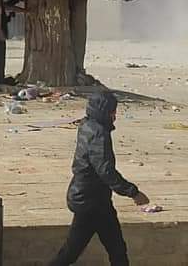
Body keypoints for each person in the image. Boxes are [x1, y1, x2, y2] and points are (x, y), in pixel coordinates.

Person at [50, 92, 149, 266]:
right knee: (72, 252)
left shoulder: (87, 124)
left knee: (116, 249)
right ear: (104, 112)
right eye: (112, 112)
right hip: (91, 202)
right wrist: (133, 192)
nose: (114, 116)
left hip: (94, 199)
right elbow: (105, 171)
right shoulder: (99, 134)